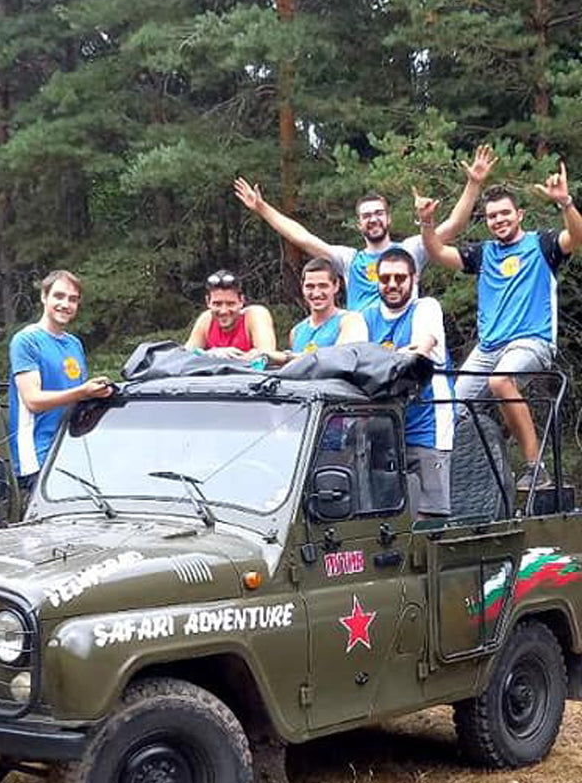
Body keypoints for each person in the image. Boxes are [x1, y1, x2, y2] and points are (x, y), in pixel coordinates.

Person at [416, 163, 582, 489]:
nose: (499, 220)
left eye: (505, 213)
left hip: (531, 341)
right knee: (449, 408)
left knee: (500, 381)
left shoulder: (542, 244)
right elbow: (435, 251)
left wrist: (565, 203)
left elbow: (577, 236)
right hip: (489, 347)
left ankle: (536, 468)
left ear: (519, 214)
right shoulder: (483, 253)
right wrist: (426, 222)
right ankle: (466, 478)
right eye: (492, 216)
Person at [233, 145, 498, 310]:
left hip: (401, 341)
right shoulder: (349, 260)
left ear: (389, 219)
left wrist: (473, 184)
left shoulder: (410, 251)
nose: (373, 219)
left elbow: (454, 226)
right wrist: (262, 208)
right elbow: (301, 237)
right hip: (361, 346)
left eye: (379, 214)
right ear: (359, 224)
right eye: (367, 216)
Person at [353, 247, 454, 517]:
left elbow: (421, 346)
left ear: (414, 278)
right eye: (385, 279)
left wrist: (379, 360)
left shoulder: (426, 307)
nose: (392, 285)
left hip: (426, 428)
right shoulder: (366, 316)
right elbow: (354, 357)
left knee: (429, 517)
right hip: (382, 430)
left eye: (400, 278)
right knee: (382, 516)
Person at [8, 270, 113, 492]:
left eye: (72, 299)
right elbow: (33, 400)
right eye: (59, 296)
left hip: (71, 449)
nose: (65, 304)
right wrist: (83, 391)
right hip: (37, 455)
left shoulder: (74, 344)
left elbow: (77, 397)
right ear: (44, 297)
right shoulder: (26, 340)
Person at [263, 258, 367, 364]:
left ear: (336, 286)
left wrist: (286, 357)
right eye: (310, 287)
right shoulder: (297, 332)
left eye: (323, 286)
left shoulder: (351, 320)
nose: (316, 293)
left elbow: (343, 358)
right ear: (302, 288)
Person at [184, 269, 276, 360]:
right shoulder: (207, 320)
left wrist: (236, 357)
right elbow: (184, 356)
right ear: (208, 302)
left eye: (230, 304)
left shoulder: (255, 315)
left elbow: (267, 354)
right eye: (217, 304)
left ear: (241, 301)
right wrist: (212, 353)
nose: (224, 311)